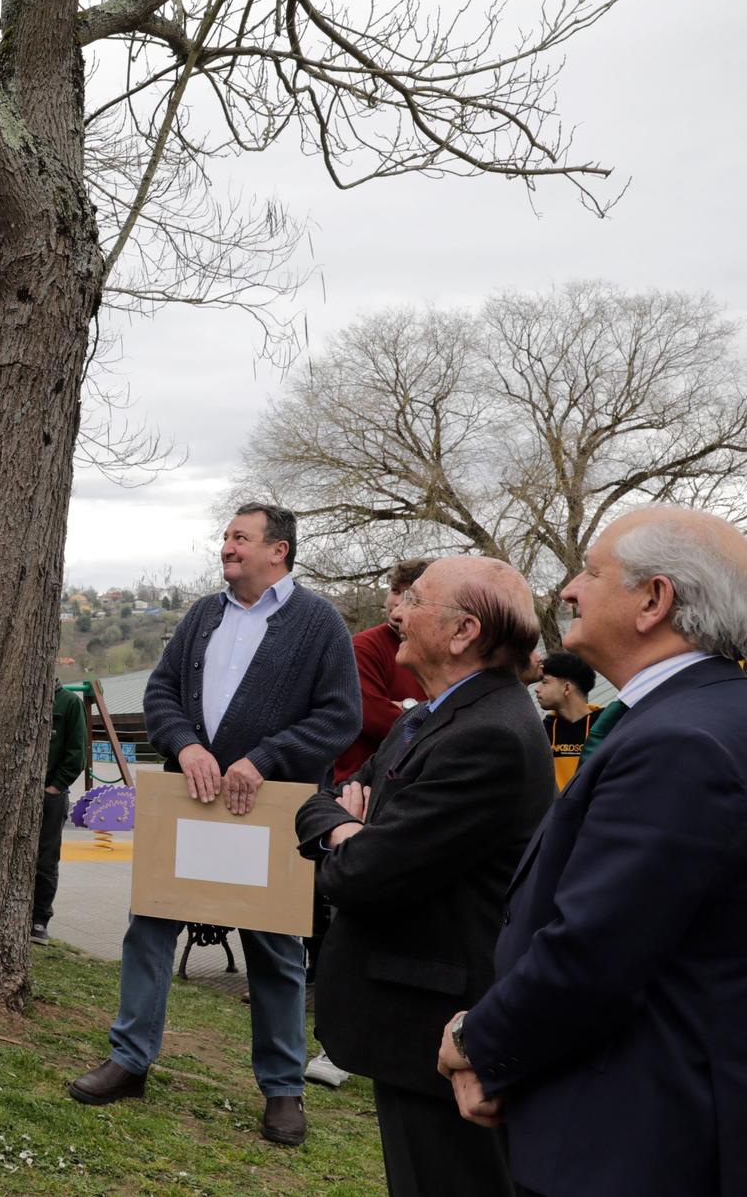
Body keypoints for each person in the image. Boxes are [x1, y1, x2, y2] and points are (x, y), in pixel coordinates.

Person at [437, 507, 747, 1197]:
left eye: (591, 571)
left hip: (635, 1141)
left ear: (653, 600)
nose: (567, 589)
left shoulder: (681, 743)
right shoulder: (699, 715)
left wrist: (476, 1040)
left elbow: (596, 951)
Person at [68, 503, 361, 1148]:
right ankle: (129, 1060)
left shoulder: (318, 624)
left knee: (276, 948)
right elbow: (161, 692)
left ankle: (283, 1090)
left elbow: (340, 717)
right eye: (226, 536)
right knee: (149, 926)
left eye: (240, 537)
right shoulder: (204, 614)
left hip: (270, 810)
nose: (226, 547)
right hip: (190, 797)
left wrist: (263, 758)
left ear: (278, 550)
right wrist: (186, 746)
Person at [296, 556, 551, 1195]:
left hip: (434, 1028)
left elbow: (360, 875)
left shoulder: (488, 733)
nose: (398, 613)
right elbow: (326, 796)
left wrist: (352, 834)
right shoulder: (426, 717)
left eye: (415, 600)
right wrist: (345, 825)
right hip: (408, 1017)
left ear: (463, 630)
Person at [308, 555, 430, 1087]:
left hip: (414, 789)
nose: (393, 605)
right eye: (398, 595)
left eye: (406, 597)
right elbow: (370, 715)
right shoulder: (368, 647)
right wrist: (414, 711)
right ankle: (337, 1042)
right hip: (360, 786)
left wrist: (412, 711)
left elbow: (431, 715)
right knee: (347, 906)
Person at [332, 558, 431, 785]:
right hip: (361, 786)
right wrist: (425, 713)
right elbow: (379, 721)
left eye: (409, 595)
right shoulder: (362, 647)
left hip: (418, 783)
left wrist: (407, 707)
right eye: (395, 590)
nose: (397, 602)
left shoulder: (439, 650)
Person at [32, 683, 88, 944]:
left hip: (51, 795)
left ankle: (40, 919)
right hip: (21, 794)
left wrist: (54, 788)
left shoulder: (69, 703)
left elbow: (77, 753)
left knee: (46, 857)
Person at [532, 648, 599, 790]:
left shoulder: (606, 725)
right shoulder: (543, 731)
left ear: (567, 688)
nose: (537, 689)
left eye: (545, 682)